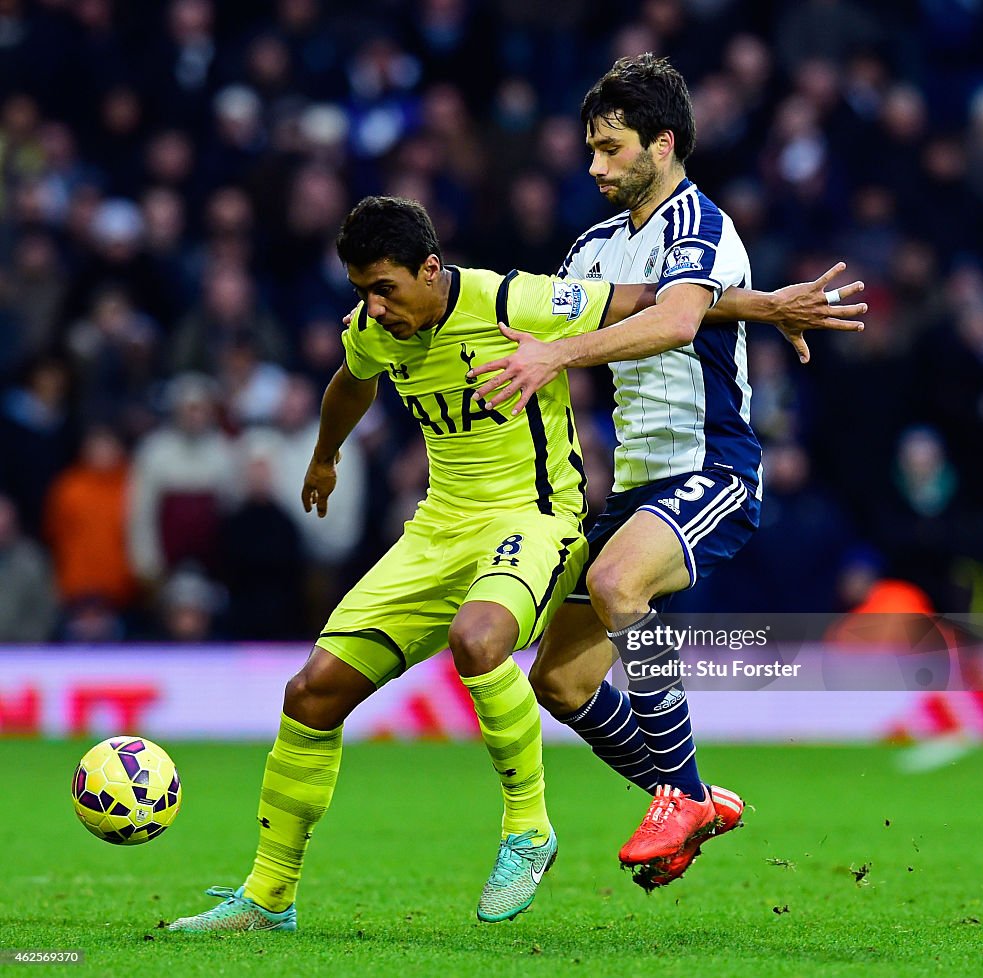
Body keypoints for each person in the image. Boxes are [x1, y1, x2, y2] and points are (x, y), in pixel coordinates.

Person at [168, 194, 665, 932]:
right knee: (310, 693)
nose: (372, 306)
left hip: (535, 521)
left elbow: (659, 302)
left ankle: (529, 829)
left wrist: (769, 306)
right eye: (361, 291)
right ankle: (269, 898)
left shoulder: (515, 299)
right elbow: (351, 378)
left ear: (431, 270)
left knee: (479, 640)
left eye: (385, 288)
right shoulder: (375, 330)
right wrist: (325, 453)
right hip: (436, 534)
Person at [468, 54, 867, 890]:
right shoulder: (594, 246)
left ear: (665, 142)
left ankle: (680, 795)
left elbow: (680, 316)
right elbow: (592, 309)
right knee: (561, 680)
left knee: (617, 584)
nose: (594, 167)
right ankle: (686, 796)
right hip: (635, 488)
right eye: (590, 149)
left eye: (611, 149)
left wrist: (563, 354)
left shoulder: (703, 224)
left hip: (713, 470)